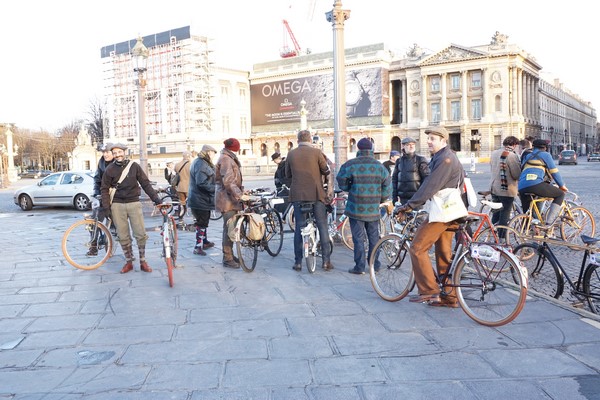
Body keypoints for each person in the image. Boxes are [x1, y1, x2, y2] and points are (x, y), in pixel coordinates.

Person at [396, 126, 467, 308]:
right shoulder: (443, 157)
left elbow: (430, 186)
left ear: (443, 140)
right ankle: (449, 297)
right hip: (451, 212)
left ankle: (430, 291)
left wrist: (409, 205)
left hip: (443, 213)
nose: (428, 141)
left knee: (417, 248)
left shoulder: (445, 159)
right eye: (428, 138)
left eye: (433, 138)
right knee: (443, 254)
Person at [100, 143, 162, 274]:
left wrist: (156, 200)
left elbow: (145, 184)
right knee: (123, 235)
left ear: (124, 152)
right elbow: (104, 189)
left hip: (134, 203)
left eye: (119, 152)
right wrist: (106, 208)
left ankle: (143, 261)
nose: (117, 155)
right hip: (117, 205)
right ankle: (129, 262)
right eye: (115, 153)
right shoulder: (109, 169)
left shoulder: (134, 166)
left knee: (140, 233)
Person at [337, 138, 391, 275]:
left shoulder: (350, 164)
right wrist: (381, 199)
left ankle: (359, 267)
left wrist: (349, 188)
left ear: (358, 148)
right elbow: (387, 185)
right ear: (371, 149)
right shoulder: (379, 166)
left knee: (358, 238)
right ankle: (374, 264)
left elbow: (340, 179)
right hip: (373, 208)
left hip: (355, 208)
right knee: (374, 237)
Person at [285, 129, 333, 272]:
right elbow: (326, 170)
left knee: (299, 227)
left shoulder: (291, 154)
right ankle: (326, 262)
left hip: (298, 195)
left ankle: (298, 262)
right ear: (310, 140)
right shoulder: (317, 152)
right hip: (316, 195)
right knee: (322, 225)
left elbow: (287, 174)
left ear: (298, 140)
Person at [518, 139, 568, 227]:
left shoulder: (527, 156)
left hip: (522, 186)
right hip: (535, 184)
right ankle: (549, 223)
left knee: (527, 215)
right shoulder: (546, 155)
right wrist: (561, 185)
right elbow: (554, 172)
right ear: (545, 148)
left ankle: (527, 230)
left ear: (533, 147)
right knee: (560, 194)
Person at [215, 138, 245, 268]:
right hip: (227, 200)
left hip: (230, 198)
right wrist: (240, 195)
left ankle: (230, 255)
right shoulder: (226, 159)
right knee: (229, 228)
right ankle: (227, 258)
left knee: (231, 228)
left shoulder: (228, 157)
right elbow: (228, 181)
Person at [188, 144, 218, 256]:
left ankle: (204, 242)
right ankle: (198, 246)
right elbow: (201, 182)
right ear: (209, 152)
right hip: (200, 199)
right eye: (213, 153)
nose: (214, 155)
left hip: (201, 199)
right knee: (201, 223)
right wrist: (215, 189)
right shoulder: (201, 163)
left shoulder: (202, 162)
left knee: (204, 222)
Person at [489, 136, 521, 234]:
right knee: (505, 214)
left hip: (494, 187)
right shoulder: (511, 155)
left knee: (496, 213)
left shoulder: (494, 153)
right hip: (506, 189)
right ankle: (502, 237)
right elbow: (516, 174)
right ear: (514, 145)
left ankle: (492, 234)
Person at [391, 137, 430, 205]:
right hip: (402, 199)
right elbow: (394, 180)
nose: (411, 146)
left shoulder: (420, 160)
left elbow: (426, 179)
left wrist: (423, 197)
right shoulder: (399, 161)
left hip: (417, 199)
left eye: (413, 144)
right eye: (408, 145)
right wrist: (394, 197)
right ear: (403, 146)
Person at [92, 142, 117, 233]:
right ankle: (95, 238)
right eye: (103, 152)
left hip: (115, 195)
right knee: (95, 219)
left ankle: (113, 232)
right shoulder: (101, 162)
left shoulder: (117, 162)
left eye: (107, 152)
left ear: (112, 152)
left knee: (114, 219)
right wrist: (96, 192)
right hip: (103, 194)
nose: (105, 155)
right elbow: (97, 179)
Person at [174, 152, 192, 222]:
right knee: (193, 203)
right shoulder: (191, 165)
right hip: (189, 188)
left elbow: (175, 171)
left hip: (180, 187)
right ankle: (195, 218)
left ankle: (180, 217)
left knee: (182, 203)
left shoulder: (177, 165)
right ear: (189, 156)